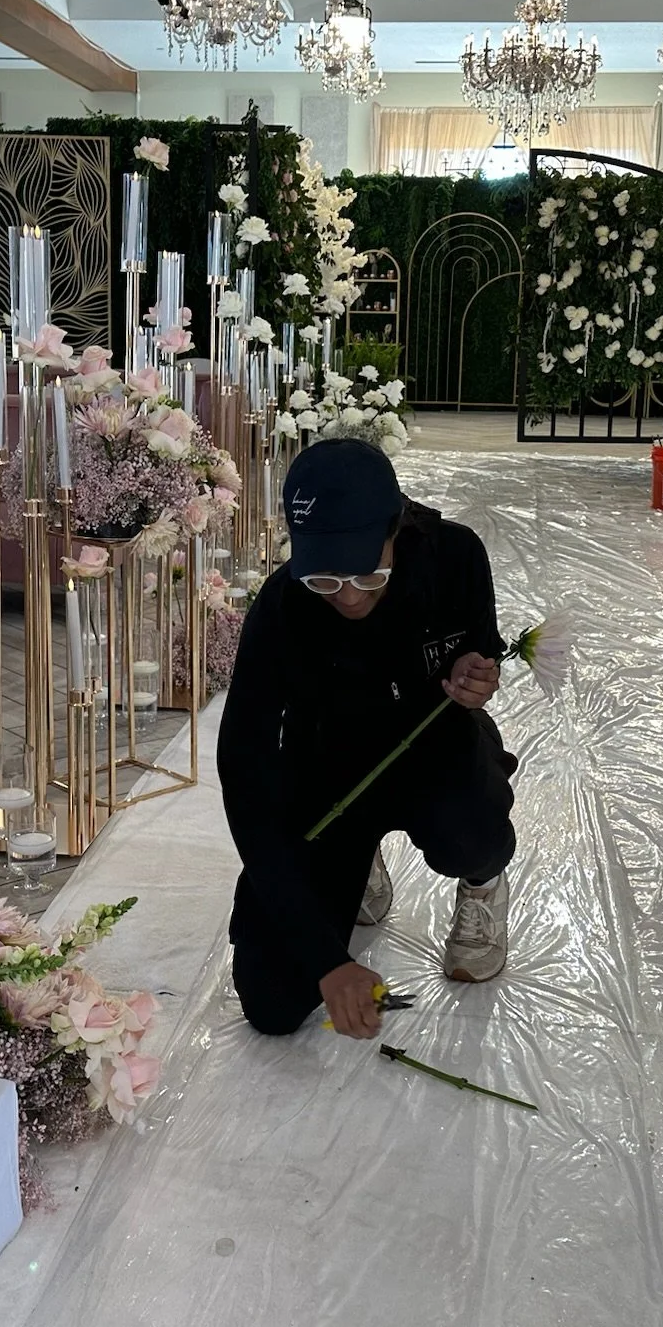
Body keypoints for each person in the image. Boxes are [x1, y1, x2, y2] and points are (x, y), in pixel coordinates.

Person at [219, 437, 518, 1039]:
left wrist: (473, 678)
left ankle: (482, 885)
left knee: (471, 829)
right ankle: (359, 865)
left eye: (367, 571)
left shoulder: (455, 555)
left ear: (396, 526)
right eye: (325, 579)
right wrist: (328, 960)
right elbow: (245, 781)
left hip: (435, 755)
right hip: (333, 783)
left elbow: (481, 654)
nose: (350, 596)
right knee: (273, 1002)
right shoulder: (279, 609)